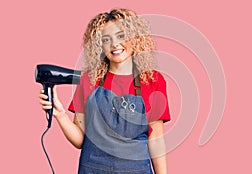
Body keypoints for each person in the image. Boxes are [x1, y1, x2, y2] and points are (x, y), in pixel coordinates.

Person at [39, 8, 171, 174]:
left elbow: (156, 139)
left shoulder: (152, 80)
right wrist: (59, 114)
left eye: (121, 36)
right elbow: (80, 140)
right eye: (106, 39)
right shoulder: (88, 79)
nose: (114, 44)